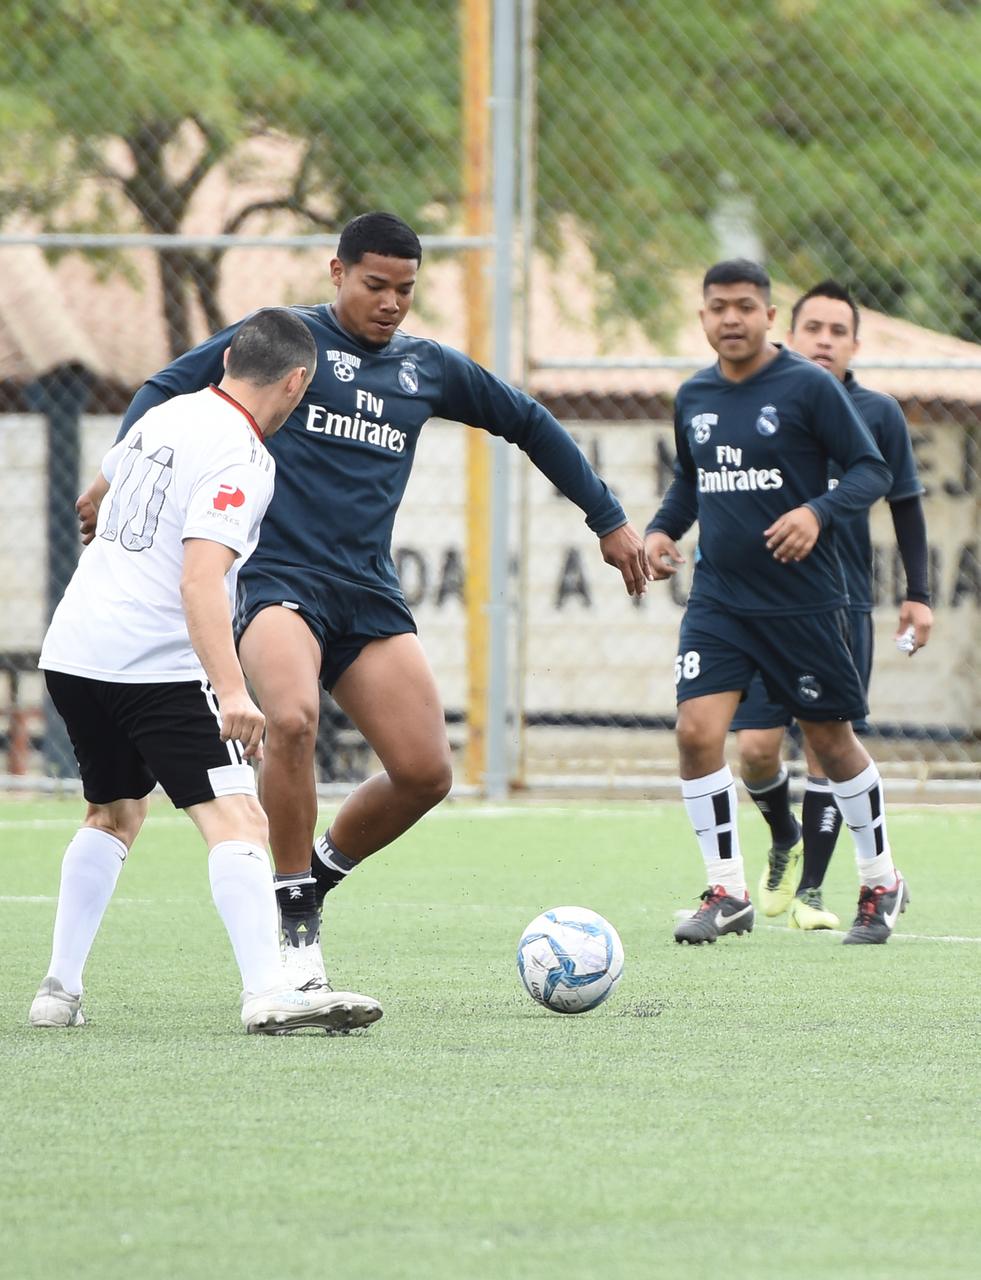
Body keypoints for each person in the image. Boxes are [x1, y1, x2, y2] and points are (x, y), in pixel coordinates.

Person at [82, 213, 648, 995]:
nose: (390, 302)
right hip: (278, 577)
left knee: (425, 773)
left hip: (366, 588)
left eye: (405, 289)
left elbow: (527, 421)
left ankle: (313, 875)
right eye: (375, 284)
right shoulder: (285, 344)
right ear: (337, 273)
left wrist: (609, 519)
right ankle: (292, 919)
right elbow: (165, 387)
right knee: (291, 719)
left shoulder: (426, 367)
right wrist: (117, 473)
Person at [31, 309, 382, 1034]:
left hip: (74, 652)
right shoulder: (244, 456)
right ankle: (267, 993)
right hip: (153, 662)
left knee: (115, 812)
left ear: (227, 363)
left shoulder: (164, 414)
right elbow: (200, 581)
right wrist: (231, 689)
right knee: (238, 817)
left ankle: (57, 993)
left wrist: (98, 497)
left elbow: (100, 486)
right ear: (295, 382)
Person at [644, 260, 910, 945]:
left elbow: (871, 469)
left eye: (744, 306)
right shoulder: (693, 397)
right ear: (702, 316)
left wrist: (818, 513)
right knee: (697, 734)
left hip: (803, 602)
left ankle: (881, 878)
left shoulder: (808, 387)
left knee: (830, 742)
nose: (730, 318)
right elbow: (691, 481)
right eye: (717, 308)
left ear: (768, 316)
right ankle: (725, 891)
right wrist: (661, 529)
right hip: (720, 600)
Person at [729, 281, 933, 933]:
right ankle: (785, 840)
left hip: (838, 605)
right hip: (761, 606)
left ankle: (814, 897)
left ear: (854, 344)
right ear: (788, 330)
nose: (824, 339)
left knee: (826, 744)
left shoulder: (877, 413)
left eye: (837, 331)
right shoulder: (765, 401)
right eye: (812, 327)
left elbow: (904, 502)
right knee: (757, 750)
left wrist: (918, 593)